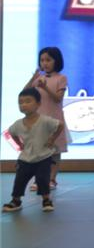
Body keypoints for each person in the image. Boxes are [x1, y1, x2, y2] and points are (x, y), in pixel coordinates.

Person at [2, 88, 64, 213]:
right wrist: (19, 144)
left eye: (28, 101)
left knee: (43, 179)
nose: (24, 105)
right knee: (20, 179)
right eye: (20, 102)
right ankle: (16, 200)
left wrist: (52, 139)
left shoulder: (45, 120)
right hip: (25, 159)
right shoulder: (18, 124)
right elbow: (10, 133)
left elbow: (60, 125)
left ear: (38, 104)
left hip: (43, 157)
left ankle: (46, 200)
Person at [24, 47, 68, 190]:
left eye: (48, 60)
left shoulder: (61, 78)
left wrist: (45, 87)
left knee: (54, 152)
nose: (45, 63)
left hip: (54, 120)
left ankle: (52, 179)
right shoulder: (39, 79)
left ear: (57, 61)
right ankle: (39, 180)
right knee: (39, 151)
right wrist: (33, 78)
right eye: (42, 60)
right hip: (38, 121)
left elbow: (58, 98)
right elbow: (24, 93)